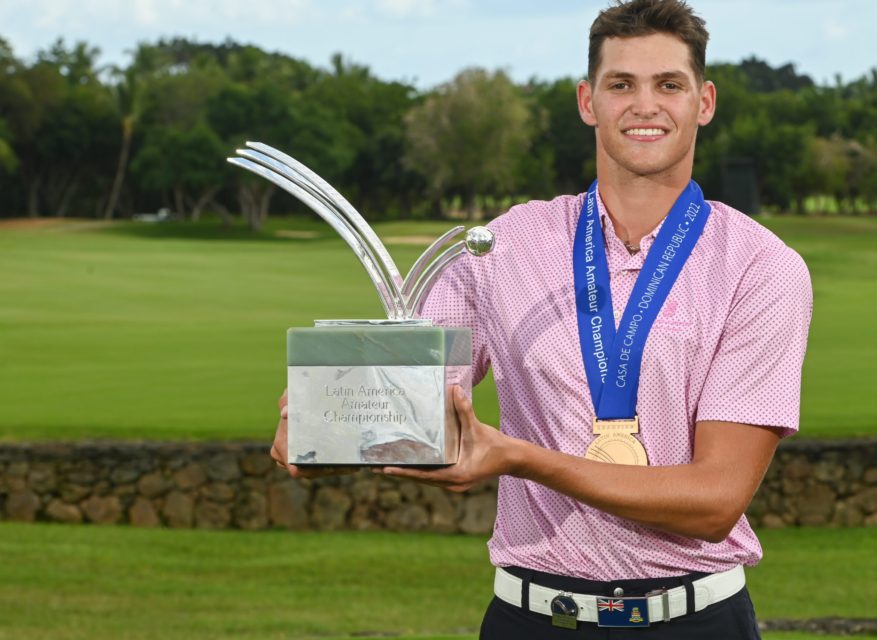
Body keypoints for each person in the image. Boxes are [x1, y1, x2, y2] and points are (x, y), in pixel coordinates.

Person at [271, 0, 812, 636]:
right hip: (531, 618)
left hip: (695, 620)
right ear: (588, 102)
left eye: (669, 84)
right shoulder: (503, 246)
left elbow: (715, 501)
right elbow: (404, 400)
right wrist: (325, 426)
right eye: (620, 85)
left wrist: (520, 458)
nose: (645, 105)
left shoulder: (762, 267)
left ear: (705, 101)